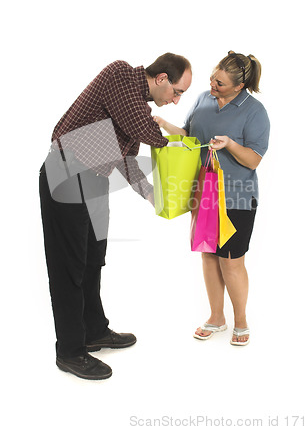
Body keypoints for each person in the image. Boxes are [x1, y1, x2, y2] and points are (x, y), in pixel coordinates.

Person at [39, 53, 192, 380]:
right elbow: (146, 130)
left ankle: (94, 331)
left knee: (93, 259)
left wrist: (154, 196)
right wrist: (181, 144)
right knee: (69, 267)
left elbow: (128, 160)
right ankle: (69, 351)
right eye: (177, 92)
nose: (177, 101)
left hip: (93, 180)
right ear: (162, 78)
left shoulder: (135, 108)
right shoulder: (121, 76)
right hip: (64, 174)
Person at [153, 51, 269, 346]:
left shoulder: (255, 112)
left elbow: (253, 160)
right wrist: (167, 126)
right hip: (204, 194)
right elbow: (190, 137)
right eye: (213, 78)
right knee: (208, 255)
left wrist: (229, 144)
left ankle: (240, 321)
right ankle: (217, 317)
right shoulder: (204, 99)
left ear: (238, 87)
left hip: (237, 198)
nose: (212, 84)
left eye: (220, 83)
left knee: (230, 261)